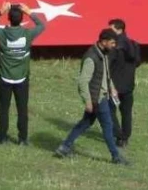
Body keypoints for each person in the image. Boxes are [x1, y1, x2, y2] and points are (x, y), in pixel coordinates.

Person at [54, 28, 129, 165]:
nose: (114, 46)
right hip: (98, 99)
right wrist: (88, 101)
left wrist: (111, 87)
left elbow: (105, 73)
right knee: (108, 126)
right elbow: (83, 82)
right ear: (104, 41)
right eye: (112, 43)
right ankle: (116, 156)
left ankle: (64, 146)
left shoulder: (103, 54)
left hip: (100, 96)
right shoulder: (91, 58)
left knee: (84, 123)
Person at [0, 2, 46, 144]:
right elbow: (42, 26)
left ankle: (3, 137)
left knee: (3, 109)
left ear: (8, 18)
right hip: (21, 80)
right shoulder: (27, 34)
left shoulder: (1, 34)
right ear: (22, 19)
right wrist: (30, 12)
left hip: (4, 79)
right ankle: (22, 139)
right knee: (22, 110)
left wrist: (0, 11)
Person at [107, 18, 141, 148]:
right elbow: (137, 62)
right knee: (126, 112)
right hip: (128, 84)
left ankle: (119, 135)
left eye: (111, 29)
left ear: (118, 29)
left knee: (110, 110)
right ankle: (125, 137)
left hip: (115, 86)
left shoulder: (114, 47)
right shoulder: (134, 44)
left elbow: (108, 64)